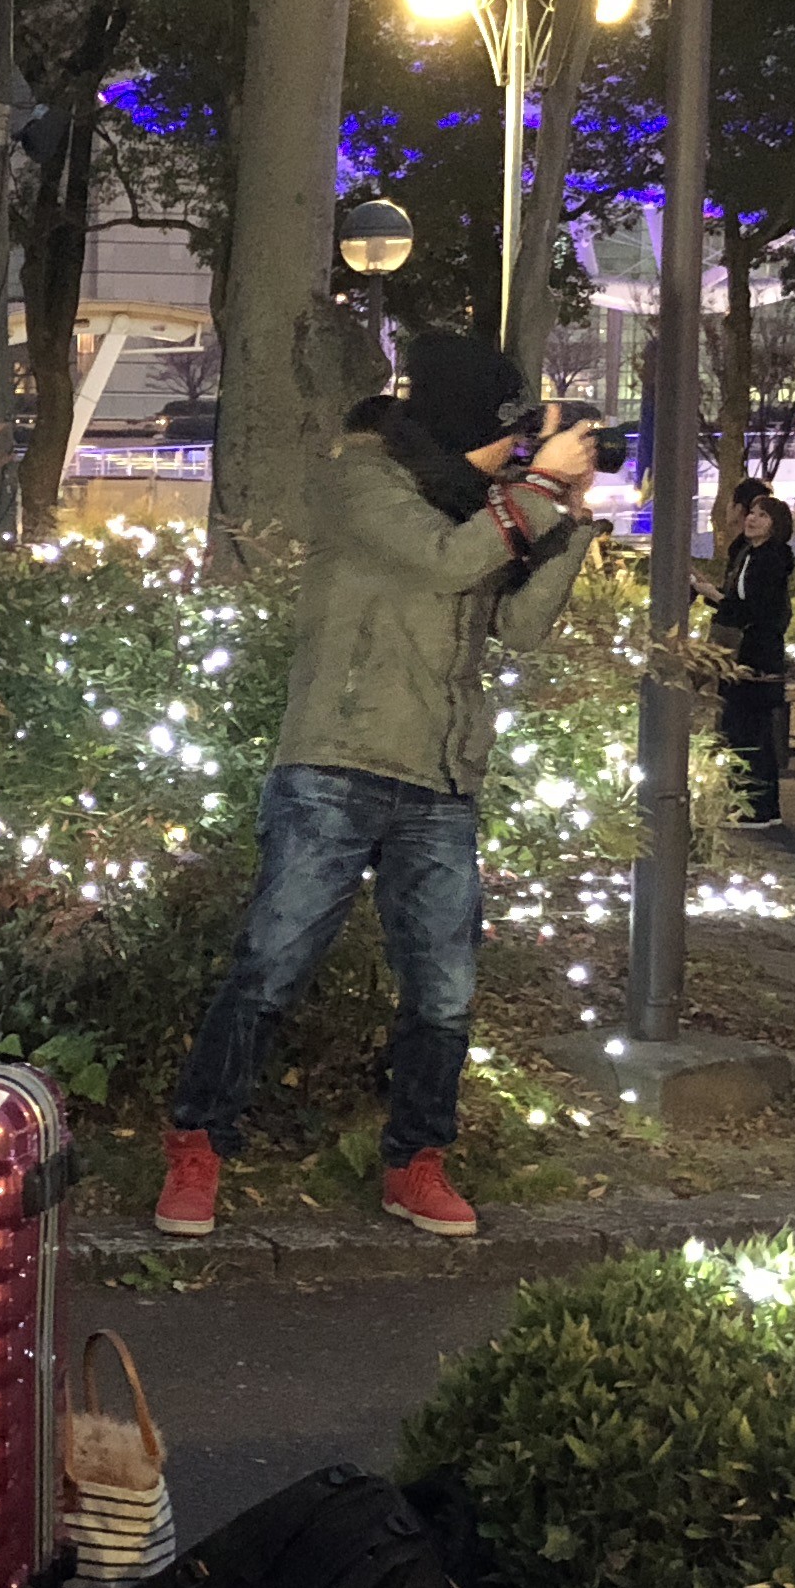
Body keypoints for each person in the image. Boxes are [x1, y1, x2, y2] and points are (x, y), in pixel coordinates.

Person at [156, 332, 603, 1245]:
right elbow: (441, 561)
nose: (517, 449)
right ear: (459, 425)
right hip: (335, 763)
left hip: (441, 779)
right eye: (508, 435)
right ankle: (198, 1144)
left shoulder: (487, 510)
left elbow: (519, 631)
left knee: (442, 991)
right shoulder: (364, 485)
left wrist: (569, 528)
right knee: (269, 969)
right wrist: (539, 494)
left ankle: (416, 1163)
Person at [713, 489, 795, 827]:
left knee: (746, 730)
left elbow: (754, 609)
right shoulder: (750, 554)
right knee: (749, 730)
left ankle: (753, 809)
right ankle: (761, 808)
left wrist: (713, 595)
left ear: (776, 525)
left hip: (757, 655)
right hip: (749, 650)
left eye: (762, 515)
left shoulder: (770, 559)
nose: (752, 518)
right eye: (753, 512)